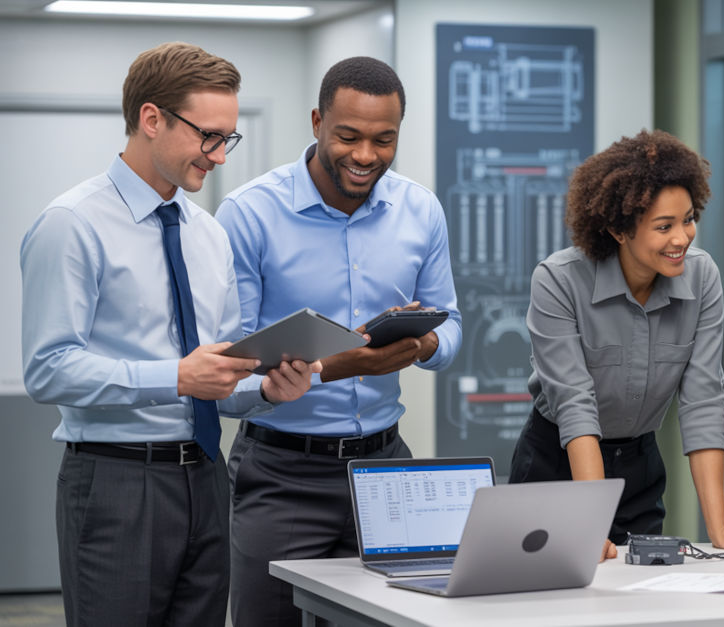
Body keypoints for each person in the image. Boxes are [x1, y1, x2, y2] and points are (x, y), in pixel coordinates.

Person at [20, 42, 319, 627]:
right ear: (151, 119)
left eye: (227, 139)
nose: (220, 157)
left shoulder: (208, 234)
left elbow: (220, 376)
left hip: (206, 477)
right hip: (115, 483)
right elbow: (48, 368)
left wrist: (264, 389)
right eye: (208, 136)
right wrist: (177, 376)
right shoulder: (72, 225)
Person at [215, 56, 461, 626]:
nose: (365, 155)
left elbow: (451, 328)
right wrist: (333, 367)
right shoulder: (249, 214)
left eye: (384, 139)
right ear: (316, 122)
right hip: (279, 472)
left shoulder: (420, 209)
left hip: (385, 471)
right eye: (348, 136)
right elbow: (228, 379)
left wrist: (419, 344)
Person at [508, 129, 724, 559]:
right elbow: (575, 407)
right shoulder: (558, 280)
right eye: (664, 227)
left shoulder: (702, 278)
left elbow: (702, 399)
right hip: (558, 461)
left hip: (638, 465)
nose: (682, 238)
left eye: (688, 219)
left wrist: (717, 527)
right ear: (618, 230)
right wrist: (591, 522)